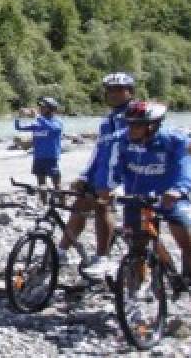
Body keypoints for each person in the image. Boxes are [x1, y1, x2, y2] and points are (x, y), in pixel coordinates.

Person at [108, 100, 191, 321]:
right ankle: (134, 298)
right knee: (137, 249)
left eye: (137, 125)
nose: (131, 129)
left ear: (153, 126)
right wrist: (109, 187)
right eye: (129, 124)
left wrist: (179, 190)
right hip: (136, 200)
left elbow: (187, 165)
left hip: (171, 198)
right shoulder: (123, 141)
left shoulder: (173, 140)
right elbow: (113, 168)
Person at [57, 72, 134, 278]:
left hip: (120, 174)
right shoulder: (108, 120)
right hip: (101, 171)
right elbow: (98, 151)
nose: (113, 94)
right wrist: (84, 175)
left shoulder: (135, 115)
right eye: (109, 90)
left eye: (118, 90)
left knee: (102, 206)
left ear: (130, 91)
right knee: (79, 205)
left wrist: (121, 182)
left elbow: (136, 147)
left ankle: (103, 258)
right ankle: (61, 251)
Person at [13, 97, 64, 191]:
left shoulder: (57, 122)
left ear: (51, 108)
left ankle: (62, 203)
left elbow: (53, 129)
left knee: (57, 185)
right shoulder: (38, 123)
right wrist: (18, 116)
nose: (40, 109)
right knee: (41, 185)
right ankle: (44, 205)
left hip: (51, 158)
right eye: (40, 107)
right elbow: (18, 127)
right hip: (38, 157)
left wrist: (37, 116)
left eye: (43, 107)